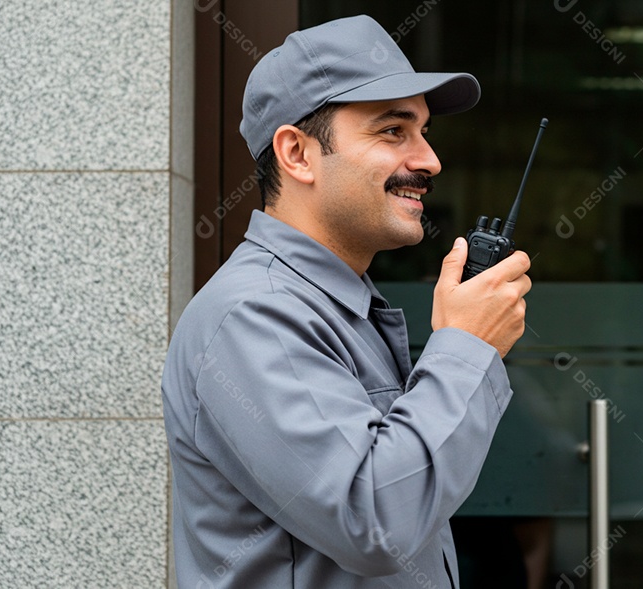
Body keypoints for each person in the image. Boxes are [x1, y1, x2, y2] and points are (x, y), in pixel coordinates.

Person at [161, 14, 532, 588]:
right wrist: (466, 346)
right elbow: (377, 520)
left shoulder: (336, 305)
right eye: (392, 131)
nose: (429, 160)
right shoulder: (256, 315)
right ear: (298, 154)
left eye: (425, 131)